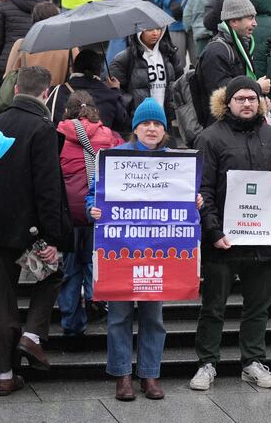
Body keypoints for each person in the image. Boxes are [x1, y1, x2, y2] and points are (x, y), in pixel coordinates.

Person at [88, 97, 202, 401]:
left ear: (164, 129)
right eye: (145, 123)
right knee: (119, 317)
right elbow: (93, 193)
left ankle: (150, 374)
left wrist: (196, 203)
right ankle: (123, 375)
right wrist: (93, 209)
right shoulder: (115, 157)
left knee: (154, 318)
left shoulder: (176, 162)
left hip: (159, 252)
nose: (151, 129)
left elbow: (186, 202)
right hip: (120, 251)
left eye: (157, 124)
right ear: (135, 128)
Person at [190, 76, 271, 391]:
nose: (247, 103)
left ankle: (252, 362)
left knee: (259, 306)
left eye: (252, 98)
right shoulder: (210, 138)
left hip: (263, 241)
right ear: (228, 102)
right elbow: (203, 189)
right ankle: (207, 363)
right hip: (223, 242)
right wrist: (214, 231)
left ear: (260, 102)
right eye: (240, 98)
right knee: (213, 306)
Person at [0, 65, 72, 395]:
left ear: (16, 90)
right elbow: (48, 189)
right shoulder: (41, 129)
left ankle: (4, 376)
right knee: (52, 275)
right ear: (45, 94)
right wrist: (50, 237)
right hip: (30, 232)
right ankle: (32, 336)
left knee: (2, 301)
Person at [56, 91, 122, 337]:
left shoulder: (59, 135)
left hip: (69, 213)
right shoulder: (109, 136)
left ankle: (72, 323)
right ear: (94, 110)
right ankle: (97, 299)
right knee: (95, 261)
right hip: (99, 211)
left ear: (67, 112)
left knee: (71, 267)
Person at [196, 0, 269, 125]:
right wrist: (257, 87)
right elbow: (220, 93)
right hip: (220, 127)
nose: (255, 23)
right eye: (250, 18)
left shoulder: (240, 46)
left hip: (235, 125)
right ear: (234, 21)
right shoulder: (216, 50)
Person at [110, 27, 181, 127]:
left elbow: (179, 81)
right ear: (139, 32)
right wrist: (132, 107)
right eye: (150, 29)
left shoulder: (169, 54)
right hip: (139, 121)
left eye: (159, 28)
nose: (155, 33)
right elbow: (117, 90)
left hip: (165, 119)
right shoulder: (125, 58)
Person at [46, 49, 128, 130]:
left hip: (64, 142)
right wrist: (115, 90)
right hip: (101, 143)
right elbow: (123, 124)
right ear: (100, 70)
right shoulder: (111, 96)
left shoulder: (56, 92)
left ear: (73, 68)